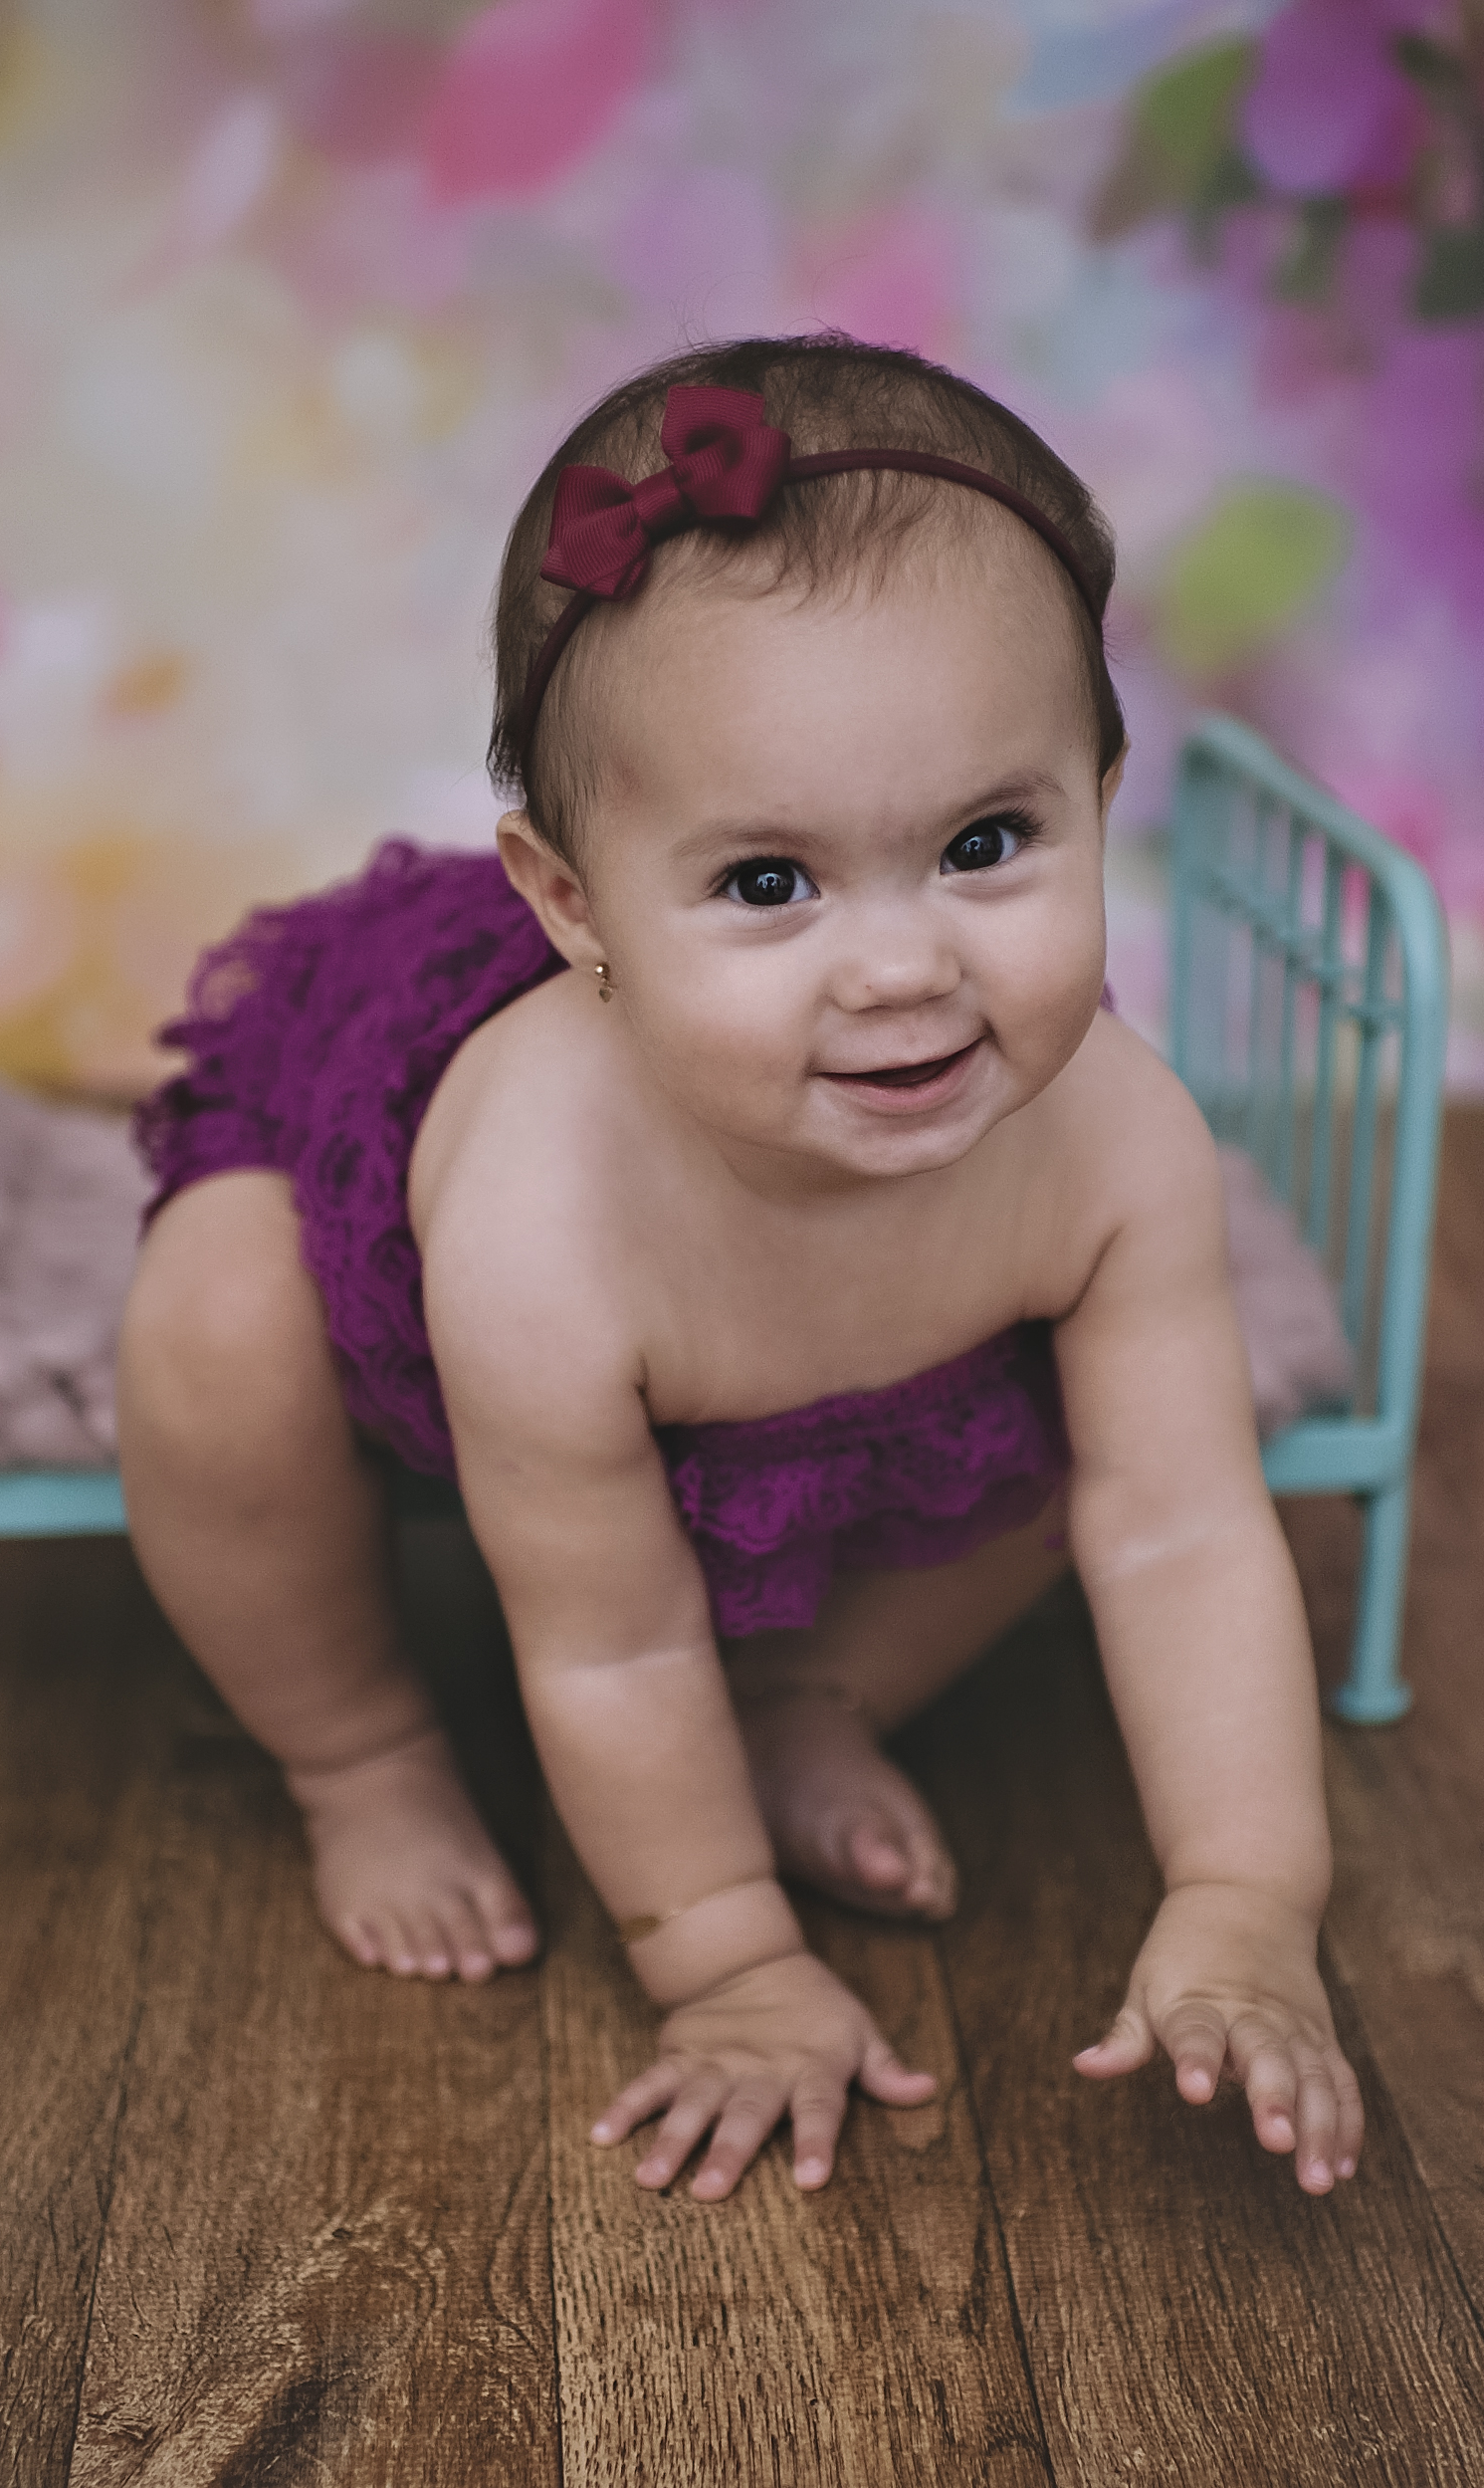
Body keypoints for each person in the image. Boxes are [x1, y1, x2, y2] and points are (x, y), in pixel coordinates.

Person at [118, 335, 1363, 2205]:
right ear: (574, 906)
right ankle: (356, 1752)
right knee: (216, 1326)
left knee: (1114, 1427)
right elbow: (608, 1637)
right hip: (462, 1337)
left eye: (986, 844)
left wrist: (1252, 1897)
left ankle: (808, 1700)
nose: (900, 971)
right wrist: (732, 1963)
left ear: (1104, 796)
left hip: (868, 1401)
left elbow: (1180, 1528)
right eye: (769, 884)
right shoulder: (552, 1223)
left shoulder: (1111, 1140)